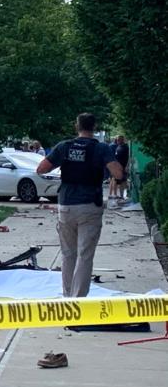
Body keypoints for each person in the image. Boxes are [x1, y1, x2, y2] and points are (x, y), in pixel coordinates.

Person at [37, 113, 123, 299]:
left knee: (68, 254)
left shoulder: (64, 147)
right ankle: (78, 300)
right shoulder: (101, 148)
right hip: (90, 206)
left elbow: (41, 168)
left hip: (66, 205)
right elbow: (117, 172)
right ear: (94, 127)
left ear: (77, 126)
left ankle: (67, 297)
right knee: (85, 255)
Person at [111, 135, 131, 202]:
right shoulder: (118, 147)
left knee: (123, 182)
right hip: (117, 167)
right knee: (115, 181)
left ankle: (123, 195)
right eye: (117, 140)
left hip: (123, 167)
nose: (117, 141)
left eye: (119, 140)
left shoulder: (126, 147)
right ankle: (115, 195)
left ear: (122, 140)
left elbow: (129, 157)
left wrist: (127, 166)